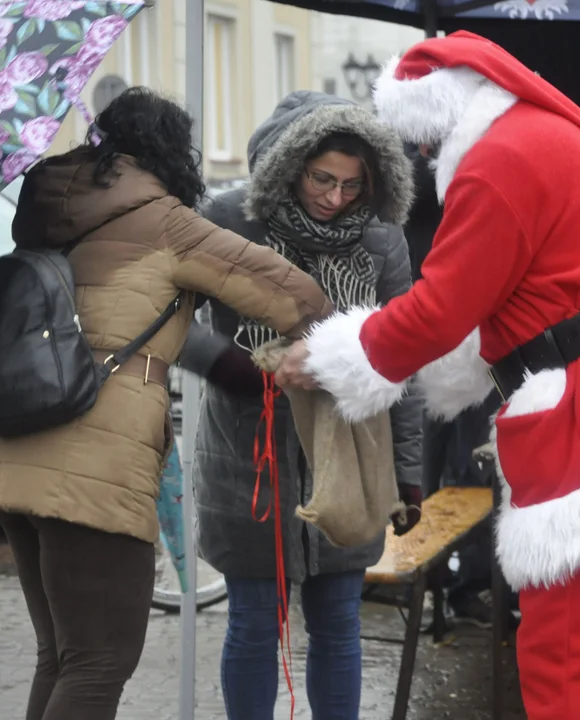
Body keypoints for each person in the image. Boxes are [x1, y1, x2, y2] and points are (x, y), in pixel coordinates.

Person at [274, 31, 580, 720]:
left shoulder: (498, 160)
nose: (427, 154)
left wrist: (327, 354)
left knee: (575, 661)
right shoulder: (556, 139)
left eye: (425, 138)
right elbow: (522, 295)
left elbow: (440, 310)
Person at [0, 87, 332, 720]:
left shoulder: (48, 211)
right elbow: (293, 296)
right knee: (99, 661)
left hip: (14, 452)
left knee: (62, 656)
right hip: (93, 462)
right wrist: (349, 348)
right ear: (173, 153)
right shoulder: (166, 220)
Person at [177, 91, 421, 720]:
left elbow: (404, 349)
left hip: (350, 452)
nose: (335, 197)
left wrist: (410, 470)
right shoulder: (228, 219)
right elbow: (165, 320)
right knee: (256, 623)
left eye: (352, 183)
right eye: (322, 179)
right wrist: (231, 365)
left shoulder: (380, 236)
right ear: (291, 165)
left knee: (339, 621)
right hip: (248, 455)